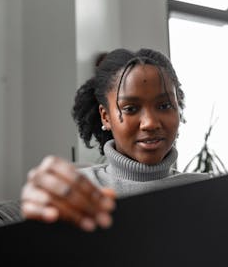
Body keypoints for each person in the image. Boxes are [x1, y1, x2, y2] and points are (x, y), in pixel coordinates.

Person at [21, 48, 211, 232]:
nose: (150, 123)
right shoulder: (78, 191)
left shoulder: (209, 191)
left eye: (164, 105)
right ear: (105, 117)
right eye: (130, 108)